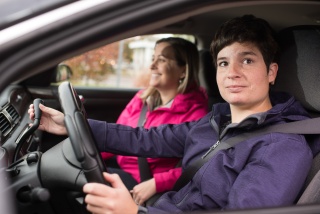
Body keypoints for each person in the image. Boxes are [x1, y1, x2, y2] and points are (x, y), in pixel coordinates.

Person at [28, 15, 313, 214]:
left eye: (247, 60)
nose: (232, 73)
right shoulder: (215, 120)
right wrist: (71, 125)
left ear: (271, 72)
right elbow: (144, 138)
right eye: (223, 63)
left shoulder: (282, 146)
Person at [101, 37, 208, 204]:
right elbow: (118, 135)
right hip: (124, 172)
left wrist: (158, 183)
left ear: (183, 71)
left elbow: (200, 166)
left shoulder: (196, 115)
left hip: (147, 186)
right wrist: (89, 151)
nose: (152, 66)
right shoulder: (142, 99)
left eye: (162, 60)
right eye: (153, 58)